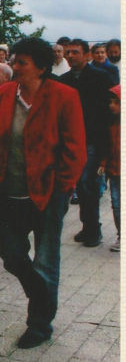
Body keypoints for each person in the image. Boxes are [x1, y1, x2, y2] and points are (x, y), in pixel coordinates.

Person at [0, 37, 86, 348]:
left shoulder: (64, 96)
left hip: (46, 196)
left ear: (40, 67)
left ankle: (39, 325)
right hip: (7, 194)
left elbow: (75, 149)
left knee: (45, 260)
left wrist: (62, 189)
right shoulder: (3, 94)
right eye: (13, 61)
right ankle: (41, 295)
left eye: (21, 63)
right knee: (11, 255)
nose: (14, 67)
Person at [60, 39, 112, 246]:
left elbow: (106, 113)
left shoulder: (101, 78)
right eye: (68, 52)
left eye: (75, 52)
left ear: (86, 55)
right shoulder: (63, 80)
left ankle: (93, 229)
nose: (70, 56)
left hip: (91, 139)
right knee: (78, 187)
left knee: (88, 185)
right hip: (68, 140)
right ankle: (87, 225)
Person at [99, 85, 120, 252]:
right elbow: (108, 147)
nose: (112, 105)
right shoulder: (110, 124)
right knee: (116, 204)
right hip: (114, 171)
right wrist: (103, 164)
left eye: (117, 102)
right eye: (110, 102)